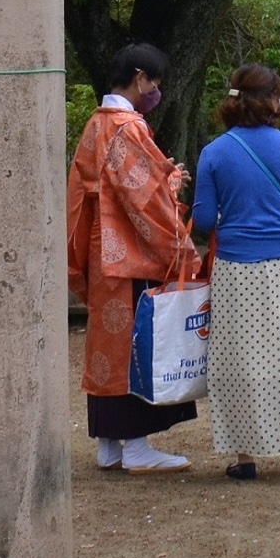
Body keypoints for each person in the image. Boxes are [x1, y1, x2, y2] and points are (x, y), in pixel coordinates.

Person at [67, 41, 203, 474]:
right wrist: (178, 238)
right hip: (129, 252)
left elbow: (88, 194)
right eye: (155, 83)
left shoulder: (96, 124)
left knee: (107, 344)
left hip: (98, 247)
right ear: (141, 77)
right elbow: (143, 196)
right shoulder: (130, 127)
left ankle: (109, 443)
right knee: (136, 344)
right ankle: (138, 444)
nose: (156, 92)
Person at [189, 63, 280, 481]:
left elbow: (203, 221)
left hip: (237, 267)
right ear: (271, 101)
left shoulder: (214, 152)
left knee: (237, 358)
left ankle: (245, 455)